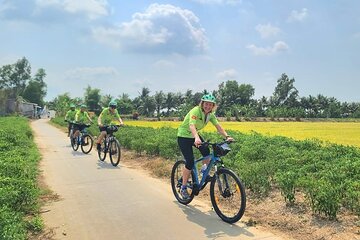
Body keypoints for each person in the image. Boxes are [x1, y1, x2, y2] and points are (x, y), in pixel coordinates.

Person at [177, 94, 234, 199]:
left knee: (207, 152)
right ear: (202, 104)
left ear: (213, 106)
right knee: (189, 161)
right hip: (184, 137)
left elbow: (218, 127)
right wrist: (196, 138)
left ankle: (204, 172)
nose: (208, 106)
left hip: (195, 136)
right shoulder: (195, 111)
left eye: (210, 105)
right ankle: (183, 187)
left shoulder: (211, 115)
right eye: (206, 104)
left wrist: (227, 136)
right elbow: (192, 125)